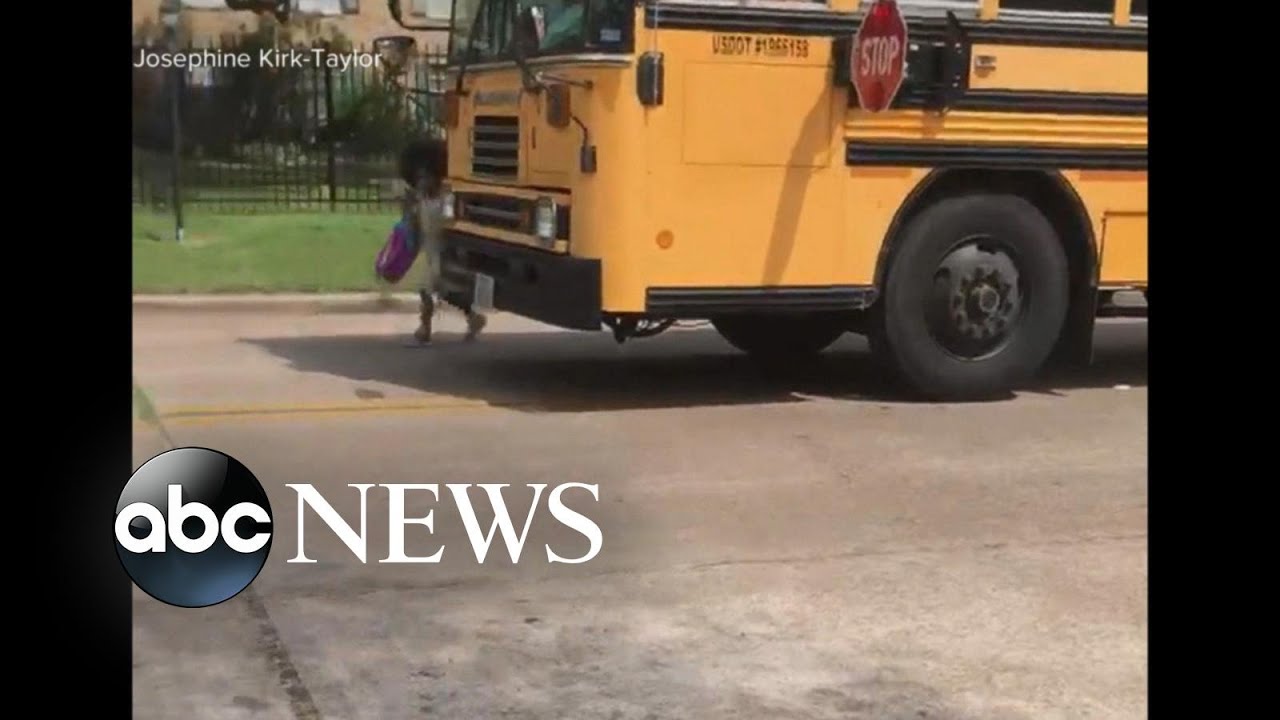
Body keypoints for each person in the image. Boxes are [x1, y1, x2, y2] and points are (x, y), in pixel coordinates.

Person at [397, 137, 487, 345]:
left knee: (429, 290)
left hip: (446, 253)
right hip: (431, 253)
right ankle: (473, 317)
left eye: (425, 177)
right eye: (417, 177)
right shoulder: (421, 201)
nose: (420, 182)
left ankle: (425, 328)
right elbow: (413, 228)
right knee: (445, 292)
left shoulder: (445, 200)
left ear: (436, 176)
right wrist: (408, 209)